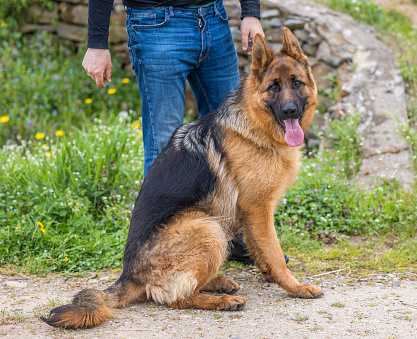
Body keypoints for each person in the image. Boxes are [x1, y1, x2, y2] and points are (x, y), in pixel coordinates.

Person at [82, 0, 287, 265]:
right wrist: (97, 42)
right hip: (155, 25)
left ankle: (233, 239)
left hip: (214, 20)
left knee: (239, 141)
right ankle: (152, 257)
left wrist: (251, 13)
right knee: (163, 150)